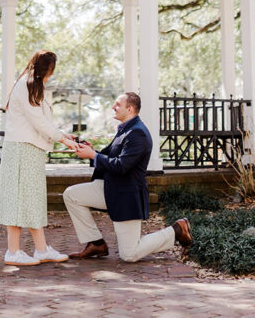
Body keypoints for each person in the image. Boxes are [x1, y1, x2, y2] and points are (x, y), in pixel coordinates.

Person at [62, 92, 192, 262]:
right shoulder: (126, 128)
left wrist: (93, 156)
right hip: (111, 188)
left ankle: (177, 230)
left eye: (117, 104)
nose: (113, 107)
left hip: (126, 196)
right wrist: (93, 152)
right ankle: (96, 243)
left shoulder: (138, 134)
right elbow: (113, 159)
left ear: (130, 109)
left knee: (129, 255)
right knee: (71, 195)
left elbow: (122, 166)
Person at [0, 50, 79, 266]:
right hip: (21, 148)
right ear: (45, 69)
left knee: (33, 199)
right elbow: (37, 121)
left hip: (30, 149)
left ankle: (41, 249)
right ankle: (13, 252)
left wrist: (64, 135)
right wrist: (63, 139)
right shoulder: (26, 86)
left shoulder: (32, 86)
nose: (52, 75)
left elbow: (42, 120)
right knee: (17, 199)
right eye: (51, 70)